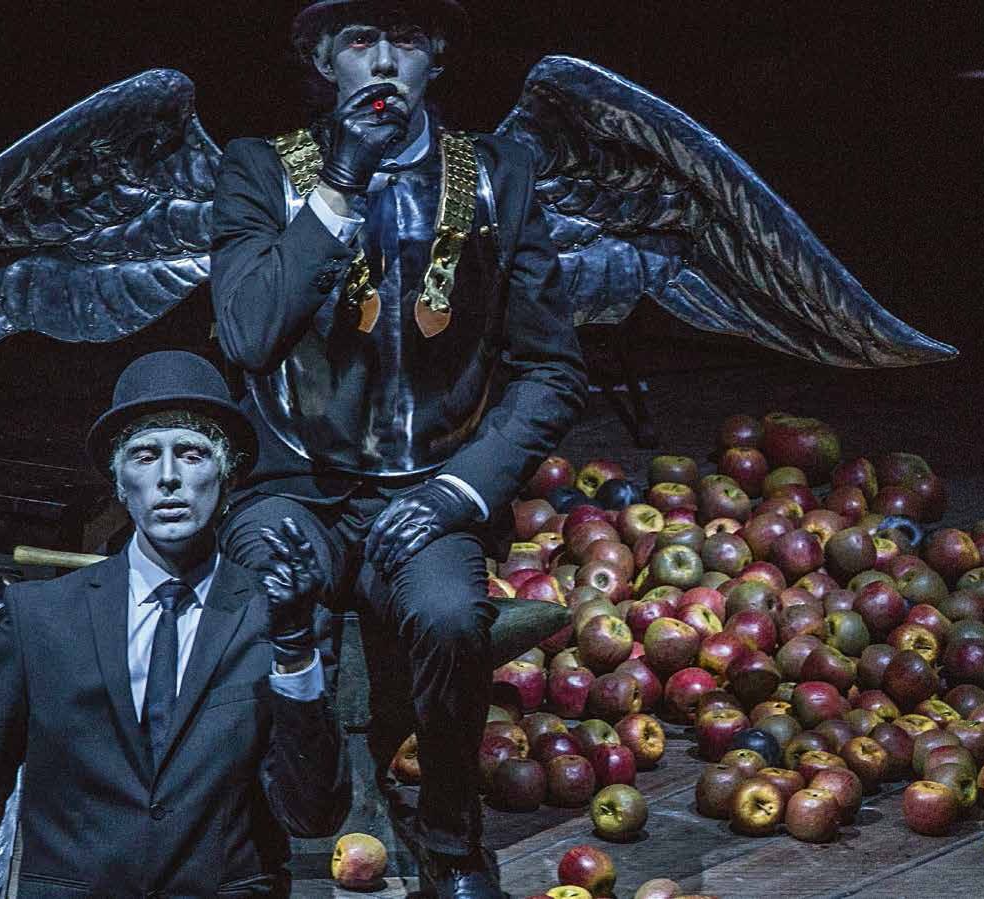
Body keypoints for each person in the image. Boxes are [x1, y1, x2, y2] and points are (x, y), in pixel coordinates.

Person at [209, 2, 587, 896]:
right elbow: (248, 333)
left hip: (429, 483)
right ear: (322, 62)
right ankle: (268, 823)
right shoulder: (261, 168)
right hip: (293, 483)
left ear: (436, 59)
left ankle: (452, 840)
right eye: (359, 42)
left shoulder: (495, 172)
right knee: (261, 591)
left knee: (451, 616)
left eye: (406, 41)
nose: (383, 62)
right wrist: (340, 180)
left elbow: (551, 368)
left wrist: (461, 491)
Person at [0, 350, 348, 899]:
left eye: (191, 454)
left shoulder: (274, 619)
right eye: (145, 456)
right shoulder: (41, 618)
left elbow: (314, 815)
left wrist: (294, 653)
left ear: (227, 477)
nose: (169, 478)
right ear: (119, 483)